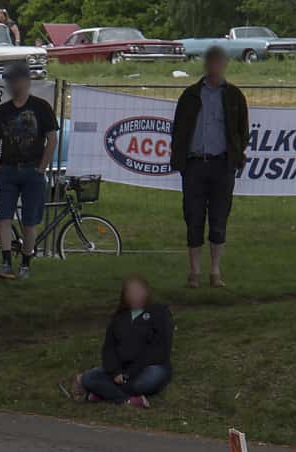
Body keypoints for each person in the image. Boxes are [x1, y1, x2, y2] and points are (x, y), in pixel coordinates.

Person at [171, 47, 248, 289]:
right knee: (193, 217)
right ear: (206, 65)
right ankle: (194, 271)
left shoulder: (234, 96)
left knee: (219, 217)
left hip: (222, 165)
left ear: (224, 65)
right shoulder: (191, 95)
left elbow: (242, 131)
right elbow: (178, 128)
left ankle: (215, 271)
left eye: (218, 62)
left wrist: (234, 156)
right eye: (211, 62)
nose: (214, 66)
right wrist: (181, 160)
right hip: (194, 164)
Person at [0, 64, 57, 281]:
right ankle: (6, 262)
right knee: (4, 217)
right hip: (8, 170)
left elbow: (51, 139)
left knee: (30, 221)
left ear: (27, 82)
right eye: (10, 81)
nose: (14, 85)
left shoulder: (41, 107)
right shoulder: (2, 111)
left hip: (32, 170)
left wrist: (41, 168)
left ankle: (26, 262)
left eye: (17, 80)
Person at [66, 275, 173, 408]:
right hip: (121, 370)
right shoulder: (119, 317)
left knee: (145, 382)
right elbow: (109, 348)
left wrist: (129, 373)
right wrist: (115, 372)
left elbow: (160, 349)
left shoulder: (159, 312)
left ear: (146, 292)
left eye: (138, 291)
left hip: (149, 367)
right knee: (88, 378)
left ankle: (104, 392)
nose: (135, 296)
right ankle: (127, 400)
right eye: (131, 292)